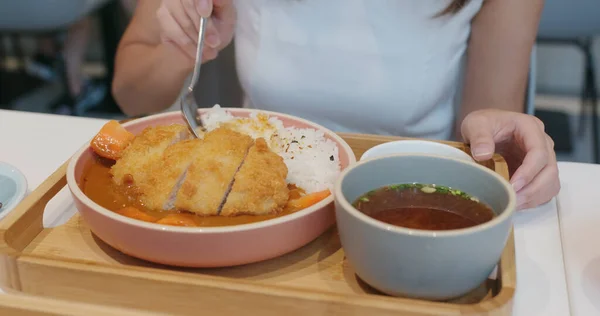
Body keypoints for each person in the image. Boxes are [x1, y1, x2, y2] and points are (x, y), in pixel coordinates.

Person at [112, 0, 559, 210]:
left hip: (408, 202)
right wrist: (189, 38)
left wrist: (505, 135)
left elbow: (488, 132)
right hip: (264, 202)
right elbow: (130, 93)